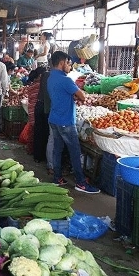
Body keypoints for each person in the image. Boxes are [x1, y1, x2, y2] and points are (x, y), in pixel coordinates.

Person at [47, 51, 99, 194]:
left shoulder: (51, 77)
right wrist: (78, 95)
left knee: (57, 150)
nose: (70, 67)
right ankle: (81, 183)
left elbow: (62, 95)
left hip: (54, 119)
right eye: (69, 64)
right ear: (62, 62)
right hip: (65, 121)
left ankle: (57, 178)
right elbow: (82, 95)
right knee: (75, 152)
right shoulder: (66, 80)